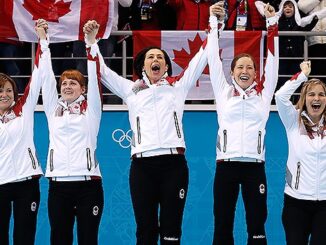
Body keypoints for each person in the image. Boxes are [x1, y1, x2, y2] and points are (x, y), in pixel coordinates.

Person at [83, 3, 225, 244]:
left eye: (160, 57)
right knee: (145, 231)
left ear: (166, 66)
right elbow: (102, 72)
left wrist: (213, 23)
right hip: (142, 167)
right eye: (151, 57)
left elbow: (202, 56)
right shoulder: (130, 90)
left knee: (171, 231)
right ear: (143, 66)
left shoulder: (177, 86)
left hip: (174, 166)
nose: (156, 59)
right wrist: (91, 42)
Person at [207, 3, 279, 244]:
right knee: (223, 224)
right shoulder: (223, 92)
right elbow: (212, 58)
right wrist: (214, 24)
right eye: (240, 67)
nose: (245, 70)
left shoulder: (263, 95)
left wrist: (272, 25)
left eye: (250, 67)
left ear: (256, 73)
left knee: (257, 226)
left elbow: (274, 62)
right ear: (232, 72)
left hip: (254, 168)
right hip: (226, 167)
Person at [36, 19, 104, 245]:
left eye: (73, 83)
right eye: (64, 83)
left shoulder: (91, 109)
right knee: (59, 240)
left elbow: (95, 78)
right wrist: (44, 41)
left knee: (88, 240)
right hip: (58, 187)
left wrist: (91, 44)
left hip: (88, 185)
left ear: (82, 89)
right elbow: (46, 76)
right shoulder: (52, 109)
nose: (66, 86)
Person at [275, 61, 326, 244]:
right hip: (296, 202)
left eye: (321, 94)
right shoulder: (293, 121)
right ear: (304, 98)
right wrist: (302, 76)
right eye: (311, 94)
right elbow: (280, 96)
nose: (316, 99)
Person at [0, 31, 44, 244]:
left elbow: (36, 77)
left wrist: (43, 41)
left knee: (24, 238)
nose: (4, 94)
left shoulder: (23, 111)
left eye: (9, 90)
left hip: (26, 183)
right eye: (0, 91)